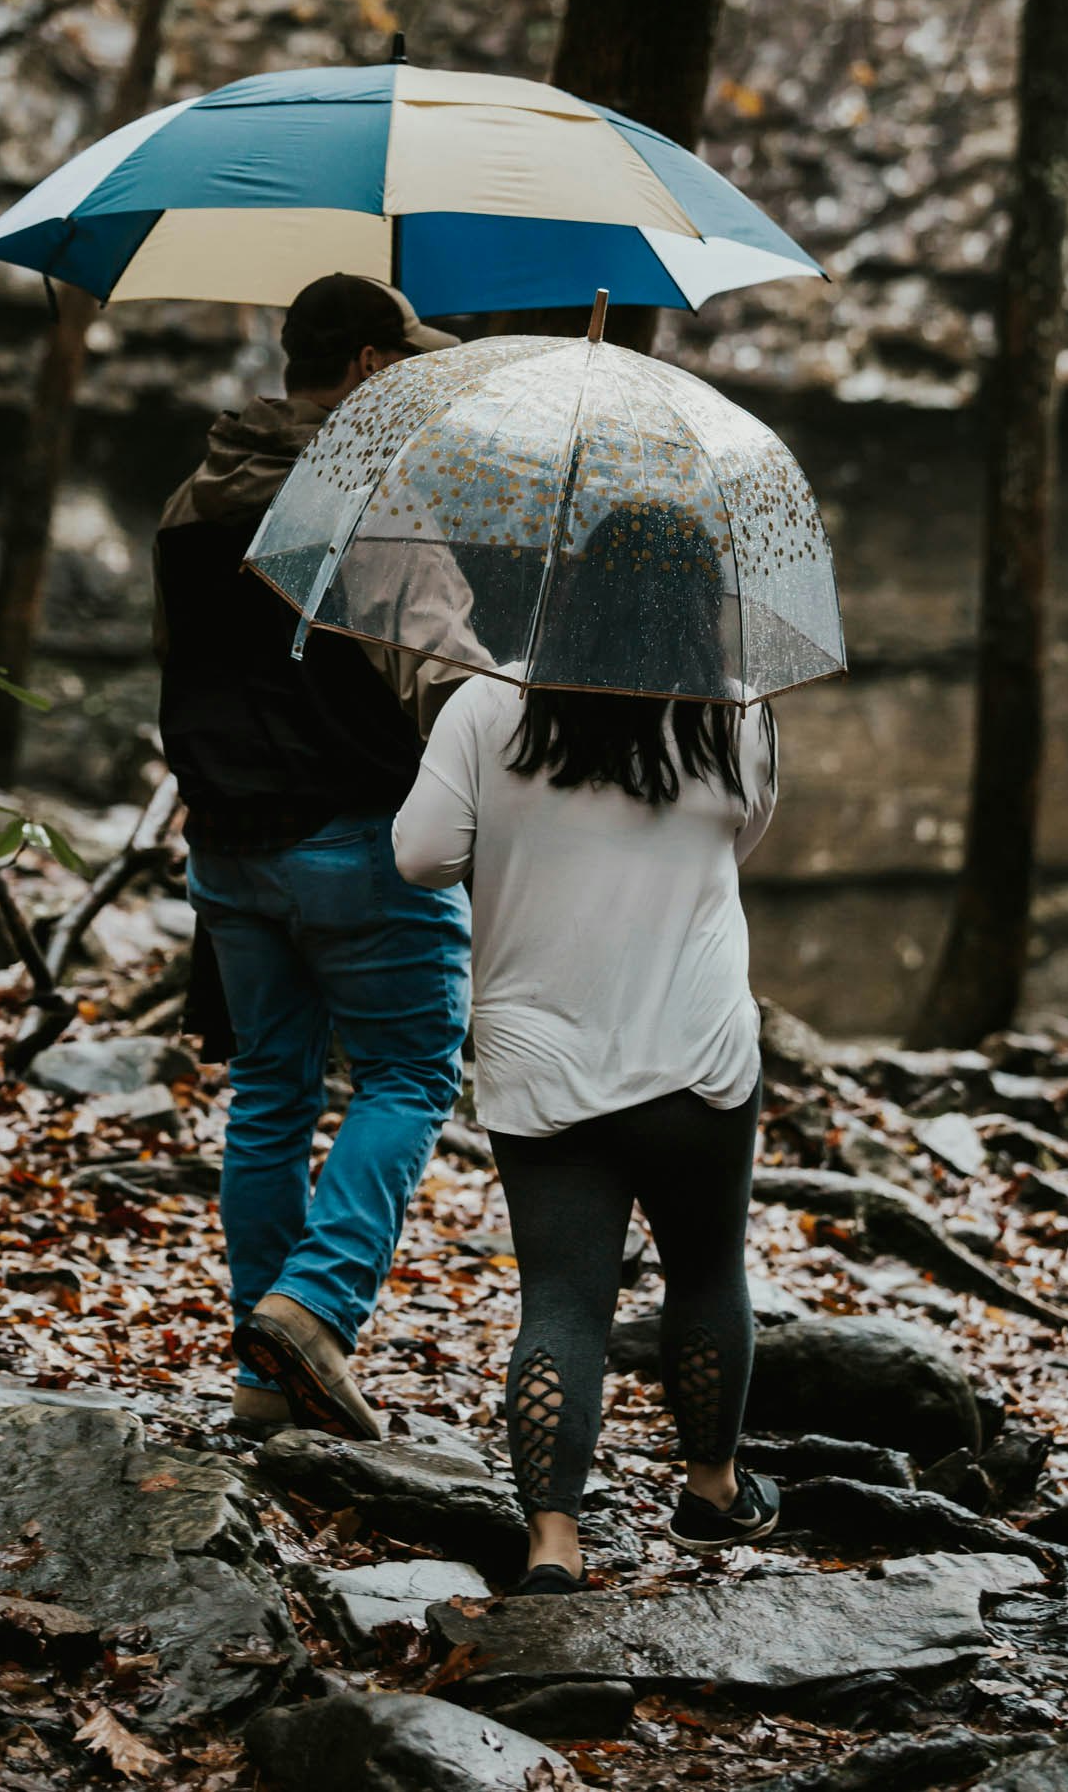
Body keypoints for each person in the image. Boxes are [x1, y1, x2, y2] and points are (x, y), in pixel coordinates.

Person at [155, 272, 474, 1440]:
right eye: (403, 364)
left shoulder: (195, 495)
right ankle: (313, 1307)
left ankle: (260, 1378)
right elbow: (448, 681)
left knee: (270, 1098)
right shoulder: (365, 495)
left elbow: (182, 664)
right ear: (365, 368)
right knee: (409, 1075)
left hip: (229, 848)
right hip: (355, 840)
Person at [392, 657, 781, 1592]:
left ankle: (553, 1546)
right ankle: (712, 1492)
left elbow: (420, 857)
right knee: (704, 1268)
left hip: (542, 1050)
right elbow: (745, 833)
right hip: (695, 1044)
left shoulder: (487, 700)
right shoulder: (736, 708)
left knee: (563, 1301)